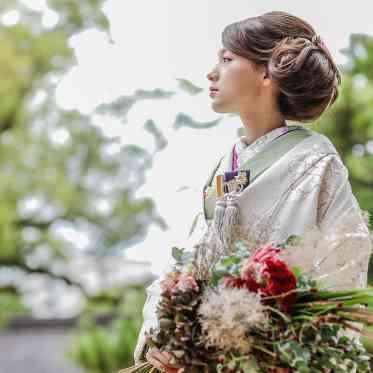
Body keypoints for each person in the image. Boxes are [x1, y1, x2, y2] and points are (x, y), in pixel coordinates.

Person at [133, 11, 372, 372]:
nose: (212, 73)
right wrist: (164, 331)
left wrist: (287, 335)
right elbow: (189, 262)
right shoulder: (223, 165)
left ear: (267, 72)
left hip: (275, 355)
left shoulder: (315, 159)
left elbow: (345, 259)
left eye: (226, 60)